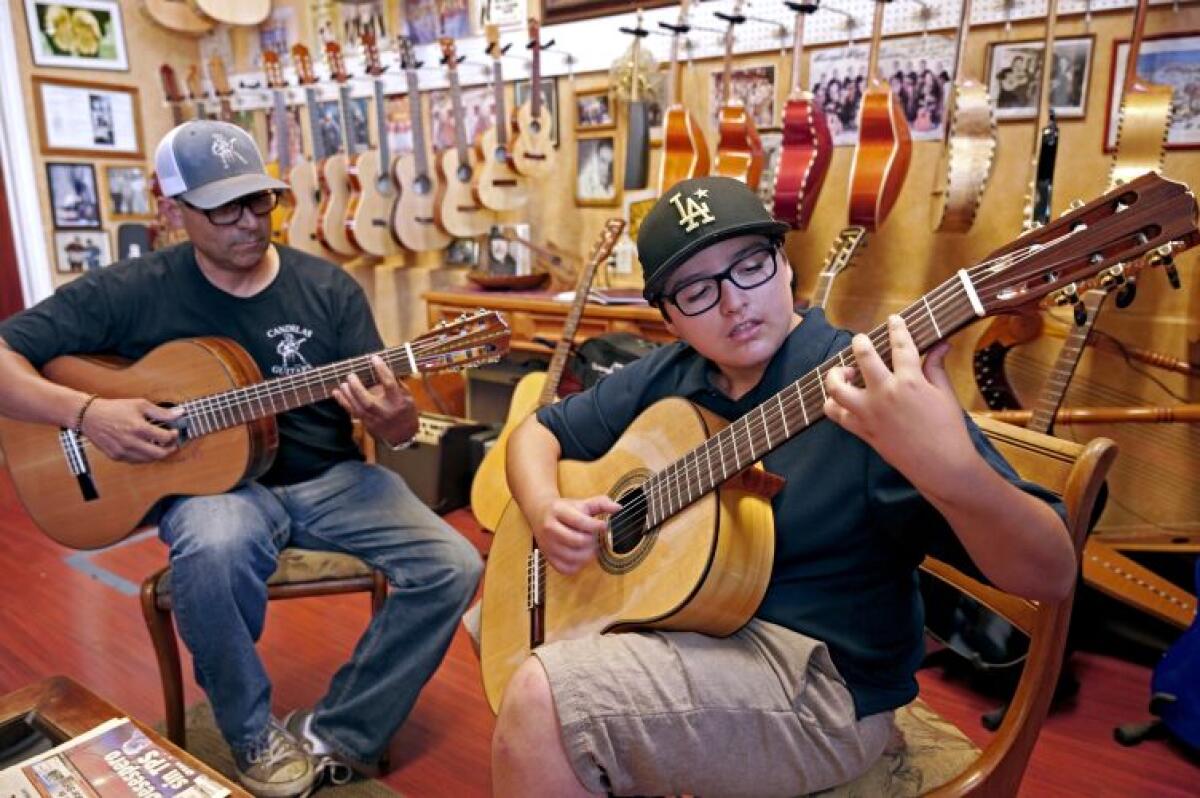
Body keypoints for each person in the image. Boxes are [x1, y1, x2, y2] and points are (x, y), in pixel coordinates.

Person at [490, 176, 1076, 796]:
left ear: (785, 262)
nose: (733, 301)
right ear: (667, 317)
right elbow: (536, 431)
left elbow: (1051, 573)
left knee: (540, 698)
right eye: (695, 289)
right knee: (499, 627)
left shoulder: (867, 387)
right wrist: (546, 506)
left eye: (750, 265)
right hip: (687, 634)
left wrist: (953, 470)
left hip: (823, 690)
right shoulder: (666, 376)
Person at [0, 121, 482, 798]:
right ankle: (249, 734)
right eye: (226, 208)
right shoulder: (130, 289)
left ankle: (339, 733)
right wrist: (87, 414)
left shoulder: (327, 289)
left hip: (331, 479)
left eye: (261, 201)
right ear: (175, 211)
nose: (250, 224)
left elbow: (393, 422)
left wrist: (397, 422)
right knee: (215, 545)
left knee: (454, 563)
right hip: (216, 492)